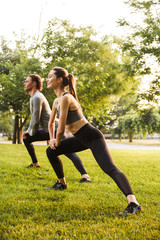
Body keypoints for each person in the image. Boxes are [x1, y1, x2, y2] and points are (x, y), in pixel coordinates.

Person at [46, 66, 142, 215]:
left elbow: (61, 127)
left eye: (50, 76)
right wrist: (52, 140)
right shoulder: (56, 101)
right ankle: (62, 183)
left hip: (92, 136)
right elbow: (51, 123)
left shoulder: (66, 98)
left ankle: (133, 203)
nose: (47, 79)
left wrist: (56, 142)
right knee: (50, 151)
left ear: (59, 80)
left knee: (109, 168)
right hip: (80, 138)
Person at [23, 74, 91, 182]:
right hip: (47, 130)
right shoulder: (33, 97)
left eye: (26, 81)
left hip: (54, 129)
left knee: (68, 152)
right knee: (27, 138)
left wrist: (30, 133)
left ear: (33, 83)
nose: (24, 83)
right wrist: (28, 132)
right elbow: (33, 119)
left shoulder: (37, 97)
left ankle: (85, 175)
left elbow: (36, 119)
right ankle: (35, 163)